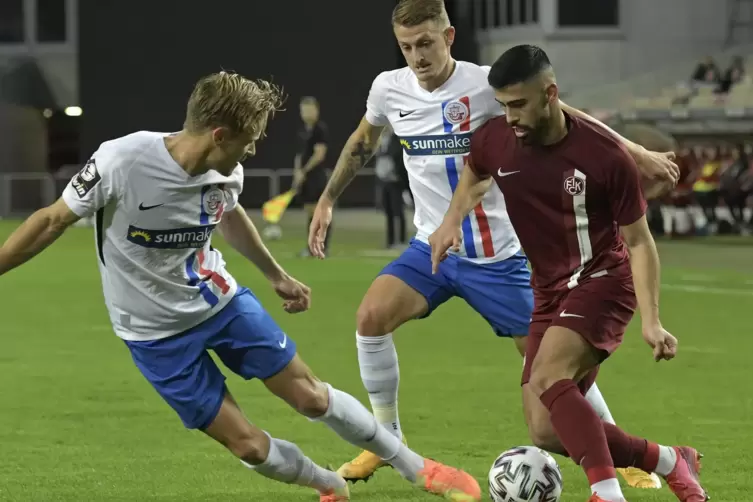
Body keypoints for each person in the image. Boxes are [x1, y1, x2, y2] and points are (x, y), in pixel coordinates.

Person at [0, 72, 481, 502]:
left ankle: (420, 470)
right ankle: (327, 484)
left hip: (222, 304)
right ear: (218, 134)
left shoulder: (227, 169)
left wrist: (276, 275)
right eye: (248, 139)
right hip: (153, 335)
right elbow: (49, 221)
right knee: (248, 445)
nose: (252, 150)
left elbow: (229, 216)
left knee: (311, 396)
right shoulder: (121, 162)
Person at [308, 0, 677, 489]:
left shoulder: (486, 85)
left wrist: (637, 152)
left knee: (557, 370)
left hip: (498, 258)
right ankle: (384, 439)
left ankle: (618, 448)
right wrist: (328, 199)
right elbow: (362, 140)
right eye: (406, 47)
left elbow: (568, 115)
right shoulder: (387, 88)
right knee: (370, 319)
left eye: (425, 44)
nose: (417, 57)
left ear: (449, 37)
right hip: (431, 248)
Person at [430, 45, 707, 502]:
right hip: (548, 292)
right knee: (544, 429)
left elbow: (639, 241)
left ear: (550, 94)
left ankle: (606, 493)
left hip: (602, 281)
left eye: (518, 104)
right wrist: (450, 221)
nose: (509, 116)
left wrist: (652, 320)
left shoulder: (603, 157)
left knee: (547, 375)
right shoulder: (495, 138)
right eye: (502, 105)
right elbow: (475, 172)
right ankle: (670, 460)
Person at [294, 96, 330, 257]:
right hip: (305, 177)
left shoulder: (319, 129)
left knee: (319, 211)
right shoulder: (302, 130)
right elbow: (299, 154)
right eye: (303, 110)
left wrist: (305, 170)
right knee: (309, 212)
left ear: (316, 110)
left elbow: (320, 154)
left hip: (317, 176)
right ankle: (311, 247)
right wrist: (297, 172)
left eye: (309, 109)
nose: (306, 113)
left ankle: (322, 246)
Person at [374, 125, 408, 248]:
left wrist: (397, 174)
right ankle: (390, 241)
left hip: (395, 180)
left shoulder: (397, 138)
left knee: (398, 211)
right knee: (388, 211)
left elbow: (399, 157)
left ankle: (401, 240)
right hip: (384, 181)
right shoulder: (380, 141)